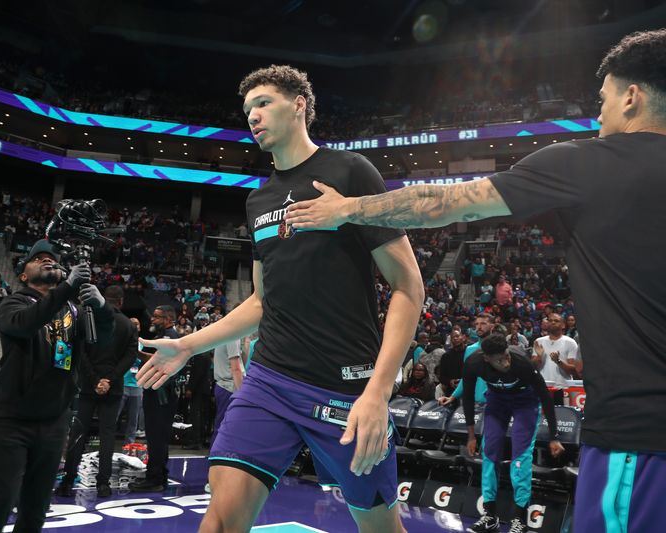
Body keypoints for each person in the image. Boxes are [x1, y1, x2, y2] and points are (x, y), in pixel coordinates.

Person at [284, 29, 666, 533]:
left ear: (632, 96)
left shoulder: (590, 163)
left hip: (640, 438)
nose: (599, 116)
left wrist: (347, 209)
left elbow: (440, 203)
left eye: (604, 101)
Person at [136, 65, 423, 533]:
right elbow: (261, 302)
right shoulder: (258, 201)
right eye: (247, 109)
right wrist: (190, 344)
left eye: (264, 103)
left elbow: (409, 286)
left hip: (347, 392)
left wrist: (378, 390)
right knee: (221, 522)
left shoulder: (349, 171)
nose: (253, 116)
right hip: (269, 382)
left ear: (299, 105)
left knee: (381, 530)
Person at [0, 240, 114, 533]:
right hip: (13, 419)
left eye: (53, 260)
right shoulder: (15, 302)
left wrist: (101, 309)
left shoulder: (73, 309)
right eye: (39, 259)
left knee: (36, 507)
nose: (48, 261)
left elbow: (102, 344)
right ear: (23, 275)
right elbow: (24, 325)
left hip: (54, 420)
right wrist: (65, 289)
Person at [440, 335, 564, 533]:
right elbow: (469, 399)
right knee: (490, 454)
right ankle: (490, 516)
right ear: (486, 359)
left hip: (525, 402)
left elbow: (545, 398)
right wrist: (471, 436)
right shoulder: (473, 364)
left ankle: (519, 520)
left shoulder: (522, 363)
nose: (506, 362)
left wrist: (554, 436)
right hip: (497, 402)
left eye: (506, 356)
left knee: (520, 457)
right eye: (499, 360)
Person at [56, 285, 137, 499]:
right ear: (120, 301)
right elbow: (129, 358)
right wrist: (108, 380)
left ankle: (67, 482)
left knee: (78, 434)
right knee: (107, 435)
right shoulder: (129, 325)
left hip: (89, 387)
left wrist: (94, 381)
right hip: (113, 387)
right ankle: (103, 484)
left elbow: (81, 353)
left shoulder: (88, 319)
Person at [129, 305, 181, 493]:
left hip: (162, 395)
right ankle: (158, 474)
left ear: (168, 319)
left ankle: (155, 478)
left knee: (156, 437)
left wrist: (135, 351)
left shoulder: (170, 337)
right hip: (160, 393)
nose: (153, 319)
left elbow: (158, 360)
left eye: (158, 317)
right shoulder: (165, 336)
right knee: (157, 437)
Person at [116, 317, 144, 446]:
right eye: (132, 323)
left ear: (140, 327)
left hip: (137, 385)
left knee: (133, 419)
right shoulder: (122, 341)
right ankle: (106, 443)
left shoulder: (143, 343)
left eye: (137, 324)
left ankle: (130, 445)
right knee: (114, 416)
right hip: (122, 383)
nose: (135, 326)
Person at [532, 313, 579, 390]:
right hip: (543, 386)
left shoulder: (570, 342)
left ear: (563, 325)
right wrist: (539, 356)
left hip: (563, 387)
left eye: (556, 321)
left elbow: (574, 370)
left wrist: (558, 361)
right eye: (550, 320)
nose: (553, 322)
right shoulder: (539, 341)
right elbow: (532, 367)